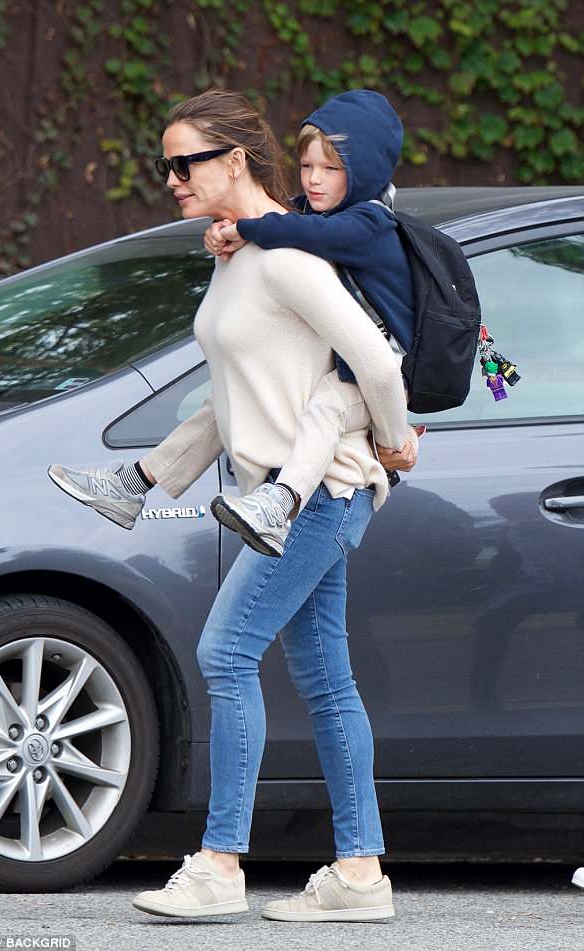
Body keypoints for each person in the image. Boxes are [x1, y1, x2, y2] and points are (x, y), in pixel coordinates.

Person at [50, 86, 417, 922]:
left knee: (225, 653)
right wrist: (153, 474)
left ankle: (220, 863)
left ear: (236, 159)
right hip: (283, 494)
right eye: (167, 165)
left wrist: (395, 443)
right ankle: (360, 874)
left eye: (186, 164)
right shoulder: (241, 252)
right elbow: (240, 388)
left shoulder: (287, 257)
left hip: (320, 492)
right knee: (326, 678)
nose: (172, 179)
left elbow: (376, 362)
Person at [205, 89, 420, 555]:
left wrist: (246, 229)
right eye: (306, 166)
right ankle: (137, 480)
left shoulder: (368, 223)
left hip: (383, 373)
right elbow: (284, 217)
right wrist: (229, 228)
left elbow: (302, 231)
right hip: (352, 371)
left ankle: (280, 501)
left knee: (326, 406)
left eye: (332, 168)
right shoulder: (316, 211)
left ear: (364, 172)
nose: (315, 179)